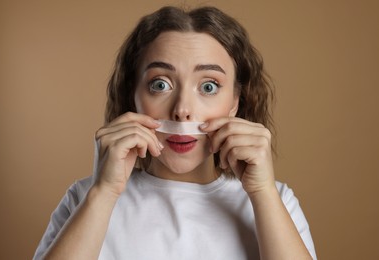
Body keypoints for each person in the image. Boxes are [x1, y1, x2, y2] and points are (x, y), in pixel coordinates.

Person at [34, 5, 316, 260]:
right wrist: (104, 192)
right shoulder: (85, 198)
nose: (182, 110)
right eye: (160, 84)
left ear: (235, 103)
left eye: (208, 87)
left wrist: (262, 193)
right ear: (133, 97)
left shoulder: (276, 201)